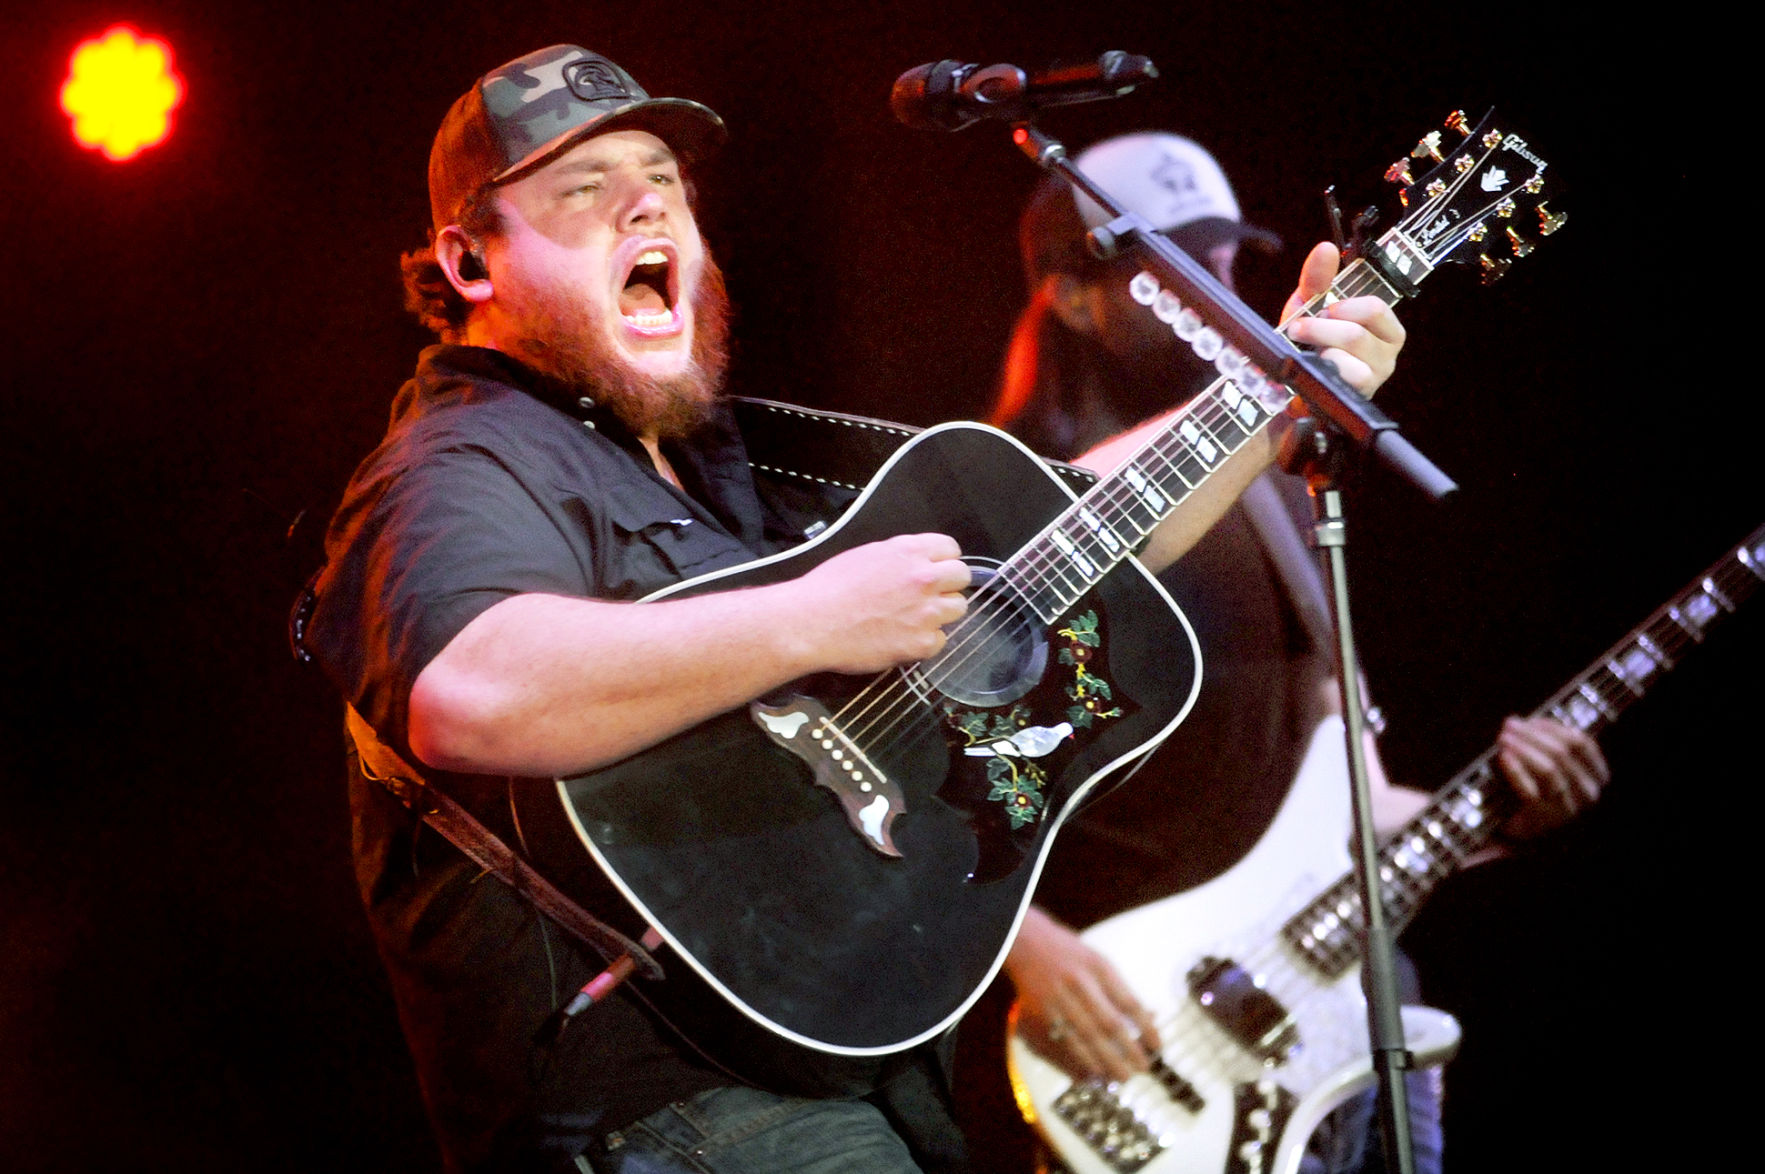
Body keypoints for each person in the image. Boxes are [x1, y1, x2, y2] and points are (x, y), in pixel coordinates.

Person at [297, 47, 1404, 1174]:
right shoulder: (459, 460)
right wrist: (813, 617)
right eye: (582, 190)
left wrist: (1272, 397)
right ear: (468, 259)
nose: (646, 200)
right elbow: (471, 690)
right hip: (654, 1099)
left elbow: (1075, 545)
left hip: (822, 1083)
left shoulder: (705, 461)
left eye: (662, 179)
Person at [979, 132, 1611, 1173]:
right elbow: (922, 781)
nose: (1218, 285)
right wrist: (1028, 951)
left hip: (1326, 1036)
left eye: (1227, 256)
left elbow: (1353, 804)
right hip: (1131, 1052)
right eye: (1170, 260)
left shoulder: (1283, 496)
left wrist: (1507, 801)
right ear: (1073, 296)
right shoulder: (1007, 493)